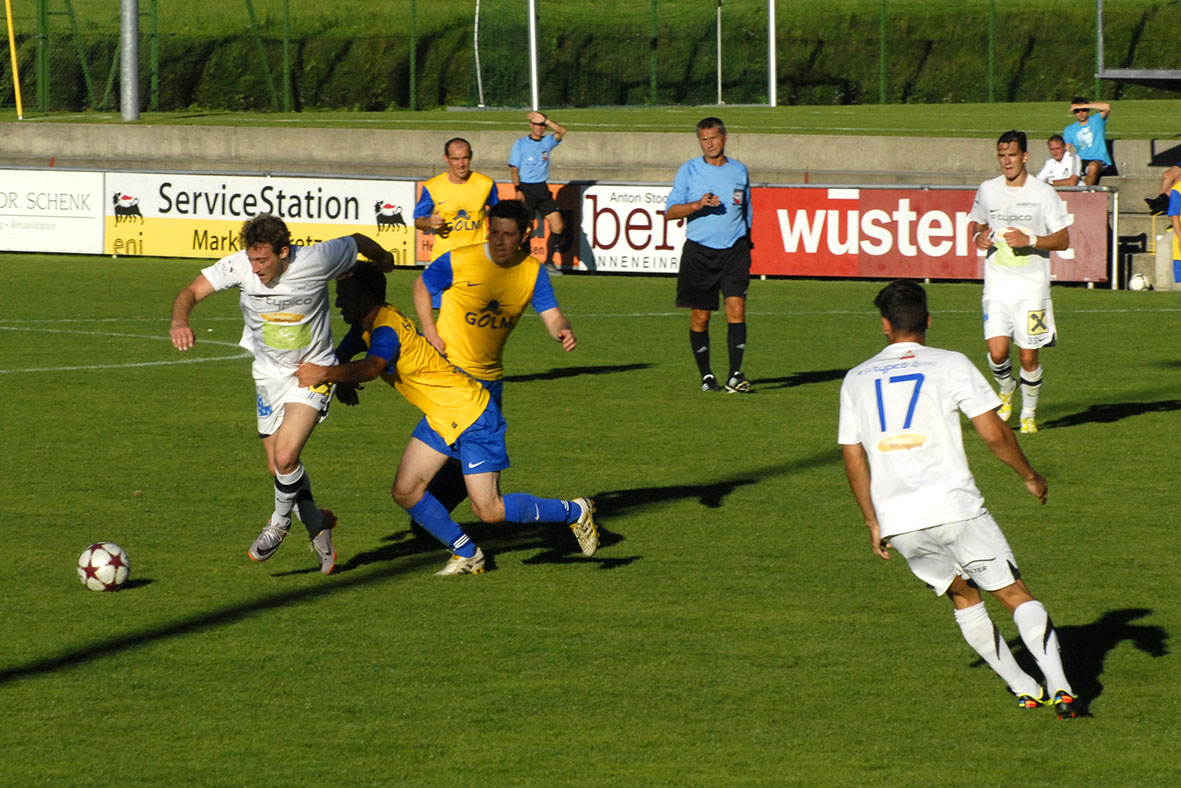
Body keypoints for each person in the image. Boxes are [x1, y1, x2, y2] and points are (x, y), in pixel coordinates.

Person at [839, 279, 1080, 720]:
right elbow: (993, 432)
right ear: (929, 321)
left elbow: (852, 455)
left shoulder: (855, 379)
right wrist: (1029, 476)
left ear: (885, 325)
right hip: (955, 507)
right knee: (1013, 593)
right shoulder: (950, 363)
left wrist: (873, 521)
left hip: (900, 520)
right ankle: (1060, 686)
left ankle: (1024, 687)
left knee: (964, 597)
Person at [295, 264, 598, 575]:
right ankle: (468, 554)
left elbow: (372, 367)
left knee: (489, 509)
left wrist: (326, 375)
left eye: (344, 295)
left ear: (366, 297)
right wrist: (341, 378)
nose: (338, 303)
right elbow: (344, 354)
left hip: (471, 415)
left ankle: (574, 511)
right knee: (406, 491)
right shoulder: (367, 325)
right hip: (442, 416)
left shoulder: (386, 330)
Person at [169, 214, 395, 575]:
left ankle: (279, 522)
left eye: (263, 260)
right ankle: (318, 522)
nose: (256, 268)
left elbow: (357, 240)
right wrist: (180, 321)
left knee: (287, 456)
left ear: (284, 252)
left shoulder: (317, 259)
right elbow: (190, 292)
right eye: (252, 259)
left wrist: (383, 259)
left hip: (312, 373)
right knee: (278, 468)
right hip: (268, 377)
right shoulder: (239, 266)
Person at [411, 199, 577, 514]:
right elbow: (421, 286)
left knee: (462, 470)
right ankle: (441, 511)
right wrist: (430, 331)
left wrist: (562, 330)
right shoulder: (460, 259)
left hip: (489, 384)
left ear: (524, 236)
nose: (499, 241)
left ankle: (449, 513)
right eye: (495, 232)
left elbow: (553, 315)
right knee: (431, 470)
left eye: (508, 234)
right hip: (451, 376)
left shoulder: (532, 272)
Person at [968, 130, 1072, 434]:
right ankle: (1006, 388)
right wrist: (977, 237)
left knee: (1028, 356)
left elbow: (1063, 239)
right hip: (997, 288)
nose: (1006, 161)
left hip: (1031, 291)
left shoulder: (1043, 193)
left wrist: (1032, 240)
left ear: (1025, 156)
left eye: (1012, 155)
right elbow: (977, 224)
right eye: (1002, 156)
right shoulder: (988, 189)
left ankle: (1028, 414)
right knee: (998, 352)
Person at [665, 116, 753, 394]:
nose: (709, 144)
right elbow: (670, 212)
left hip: (735, 250)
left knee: (736, 309)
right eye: (703, 139)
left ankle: (735, 375)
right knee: (700, 317)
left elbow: (747, 210)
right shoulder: (689, 170)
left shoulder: (739, 171)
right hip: (700, 252)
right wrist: (697, 205)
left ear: (724, 138)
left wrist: (748, 242)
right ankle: (706, 376)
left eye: (713, 138)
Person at [414, 138, 499, 261]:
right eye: (455, 159)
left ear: (471, 157)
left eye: (465, 158)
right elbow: (418, 221)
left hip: (477, 258)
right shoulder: (432, 187)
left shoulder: (486, 184)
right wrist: (428, 222)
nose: (461, 164)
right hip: (444, 258)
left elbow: (499, 214)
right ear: (446, 158)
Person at [508, 110, 569, 275]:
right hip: (526, 188)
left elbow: (562, 131)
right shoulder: (520, 144)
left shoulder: (547, 142)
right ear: (531, 125)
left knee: (558, 225)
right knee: (527, 228)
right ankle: (523, 262)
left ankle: (549, 263)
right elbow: (514, 169)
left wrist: (547, 120)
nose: (540, 128)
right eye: (537, 124)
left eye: (542, 125)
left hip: (541, 189)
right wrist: (518, 189)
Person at [1063, 97, 1112, 186]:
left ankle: (1086, 192)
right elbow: (1067, 150)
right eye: (1077, 111)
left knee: (1092, 166)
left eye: (1084, 110)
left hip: (1098, 160)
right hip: (1081, 160)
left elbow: (1107, 107)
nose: (1081, 113)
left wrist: (1083, 105)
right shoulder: (1070, 129)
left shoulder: (1096, 120)